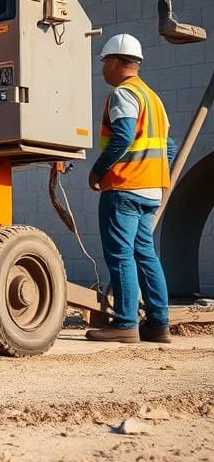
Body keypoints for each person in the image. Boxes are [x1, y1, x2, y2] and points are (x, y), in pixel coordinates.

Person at [86, 33, 176, 344]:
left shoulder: (124, 95)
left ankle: (125, 323)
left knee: (121, 256)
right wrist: (158, 175)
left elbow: (122, 138)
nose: (102, 70)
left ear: (113, 62)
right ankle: (158, 323)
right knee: (147, 255)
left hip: (125, 187)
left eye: (103, 63)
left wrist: (97, 171)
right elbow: (170, 146)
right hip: (151, 189)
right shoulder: (154, 99)